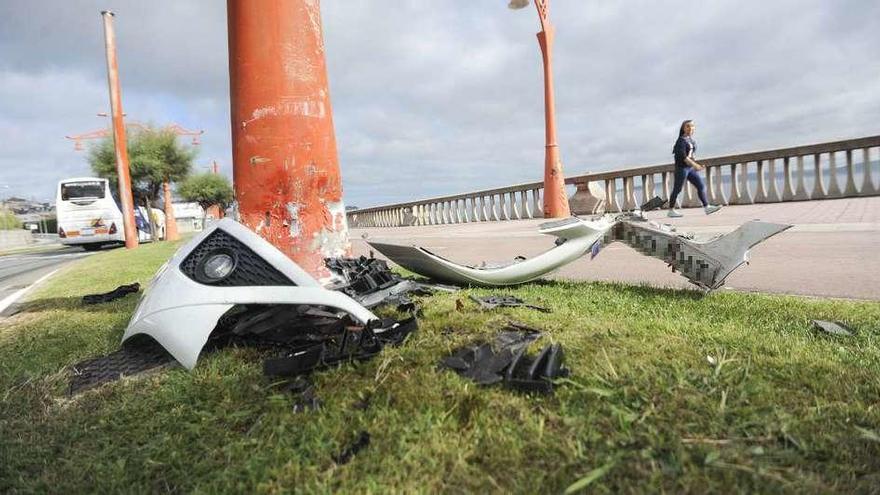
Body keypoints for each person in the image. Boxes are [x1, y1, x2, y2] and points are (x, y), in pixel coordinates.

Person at [668, 120, 721, 217]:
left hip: (690, 169)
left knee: (700, 185)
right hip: (682, 168)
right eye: (687, 126)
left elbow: (691, 155)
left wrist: (697, 165)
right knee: (677, 189)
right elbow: (684, 157)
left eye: (692, 126)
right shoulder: (680, 141)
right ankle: (671, 210)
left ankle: (707, 207)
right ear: (683, 128)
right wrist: (695, 166)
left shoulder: (691, 140)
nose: (690, 128)